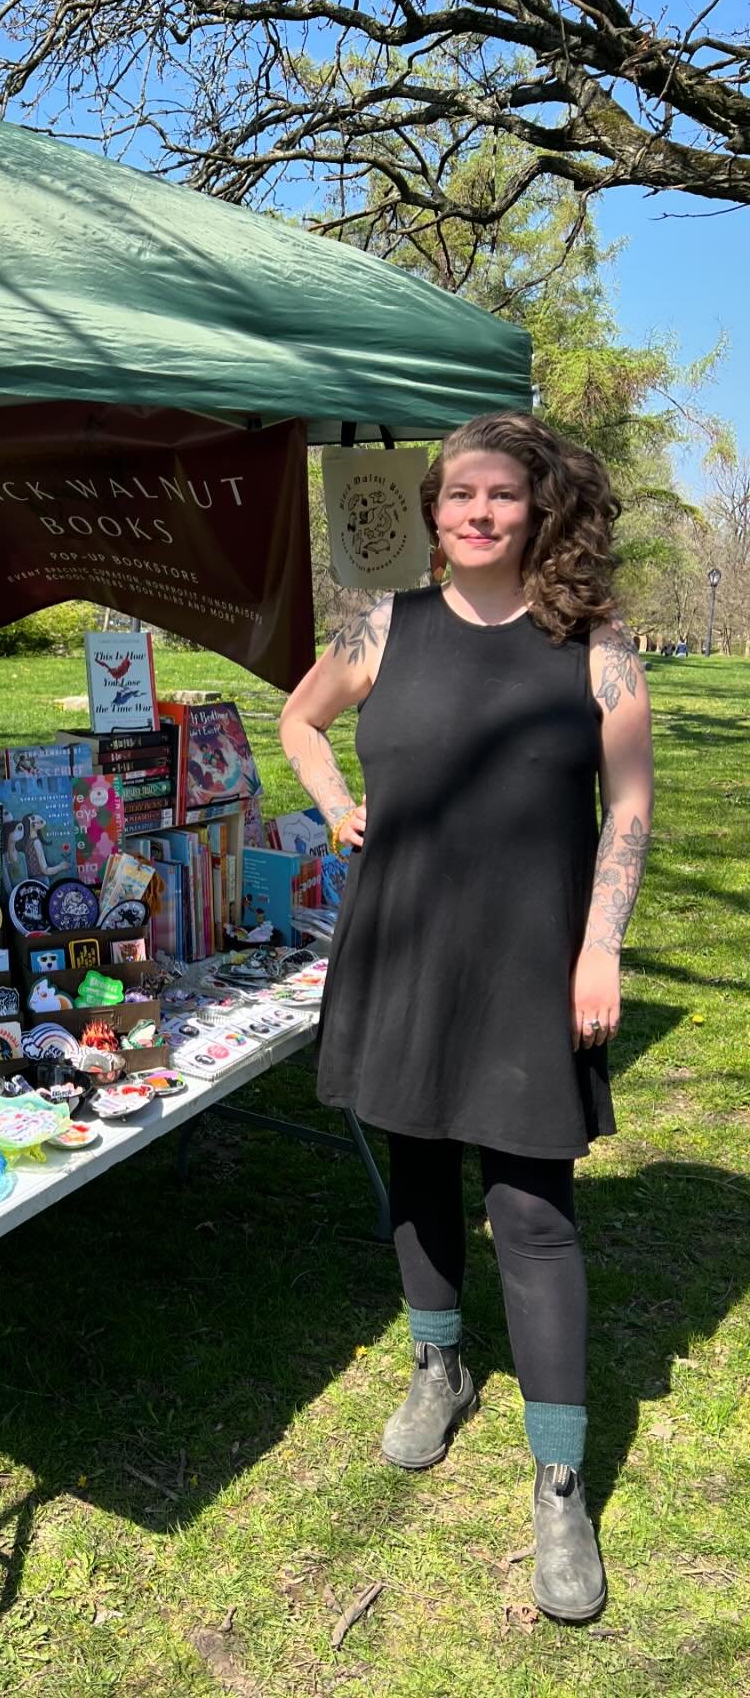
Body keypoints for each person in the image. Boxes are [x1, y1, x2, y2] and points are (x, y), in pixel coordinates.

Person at [278, 413, 653, 1624]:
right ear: (434, 511)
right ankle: (437, 1365)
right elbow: (298, 717)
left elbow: (632, 802)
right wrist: (338, 804)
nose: (478, 513)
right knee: (420, 1170)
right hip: (404, 951)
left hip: (530, 968)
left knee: (534, 1212)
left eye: (503, 495)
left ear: (541, 509)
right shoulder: (384, 622)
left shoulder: (595, 647)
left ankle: (558, 1480)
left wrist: (599, 947)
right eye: (459, 495)